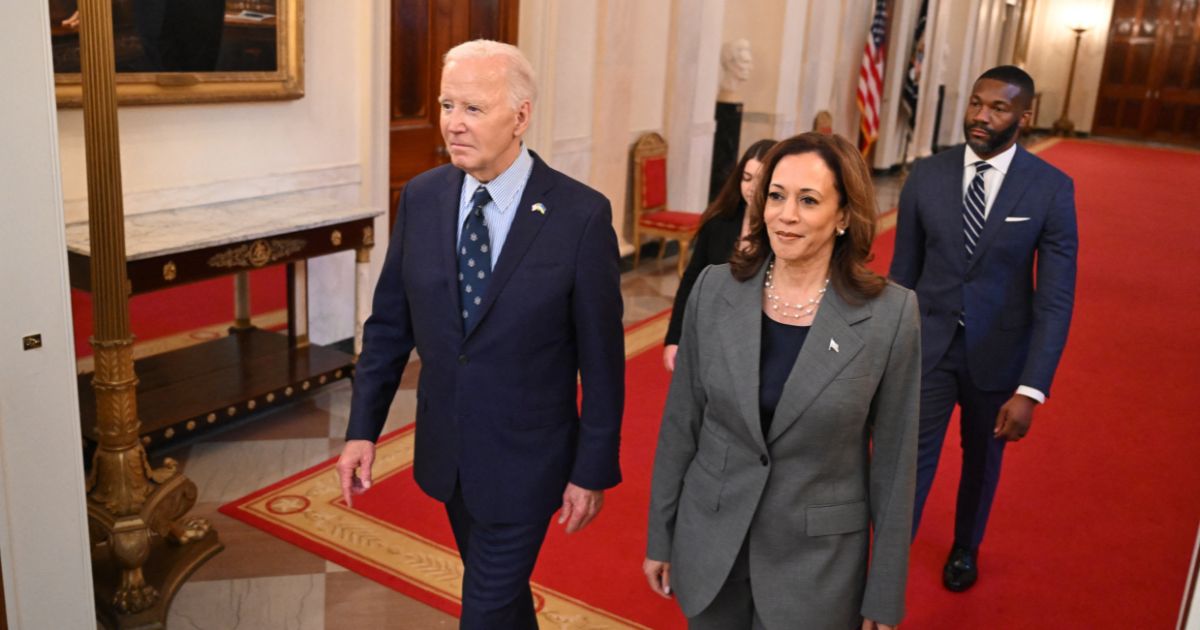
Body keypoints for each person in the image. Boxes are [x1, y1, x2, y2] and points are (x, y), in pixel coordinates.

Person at [337, 39, 625, 629]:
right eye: (447, 105)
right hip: (449, 454)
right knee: (502, 599)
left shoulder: (581, 216)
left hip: (530, 461)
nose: (452, 124)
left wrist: (591, 468)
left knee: (485, 610)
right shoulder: (422, 198)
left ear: (520, 116)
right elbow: (390, 327)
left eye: (472, 108)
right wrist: (362, 430)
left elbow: (602, 362)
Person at [644, 132, 921, 630]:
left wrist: (884, 593)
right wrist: (661, 537)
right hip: (711, 545)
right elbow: (680, 425)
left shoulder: (891, 316)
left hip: (815, 568)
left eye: (808, 200)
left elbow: (897, 466)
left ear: (843, 216)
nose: (785, 214)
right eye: (776, 195)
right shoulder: (714, 289)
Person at [890, 65, 1077, 592]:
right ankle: (888, 561)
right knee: (908, 462)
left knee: (981, 461)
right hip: (926, 348)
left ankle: (965, 547)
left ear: (1025, 116)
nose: (981, 115)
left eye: (997, 108)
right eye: (976, 103)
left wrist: (1032, 388)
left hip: (997, 359)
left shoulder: (1051, 190)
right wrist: (886, 353)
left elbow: (1055, 300)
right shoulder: (927, 175)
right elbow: (902, 276)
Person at [663, 139, 775, 371]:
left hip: (761, 341)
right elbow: (692, 280)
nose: (752, 187)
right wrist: (675, 337)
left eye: (761, 179)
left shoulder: (784, 230)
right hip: (712, 332)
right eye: (747, 178)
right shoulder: (719, 221)